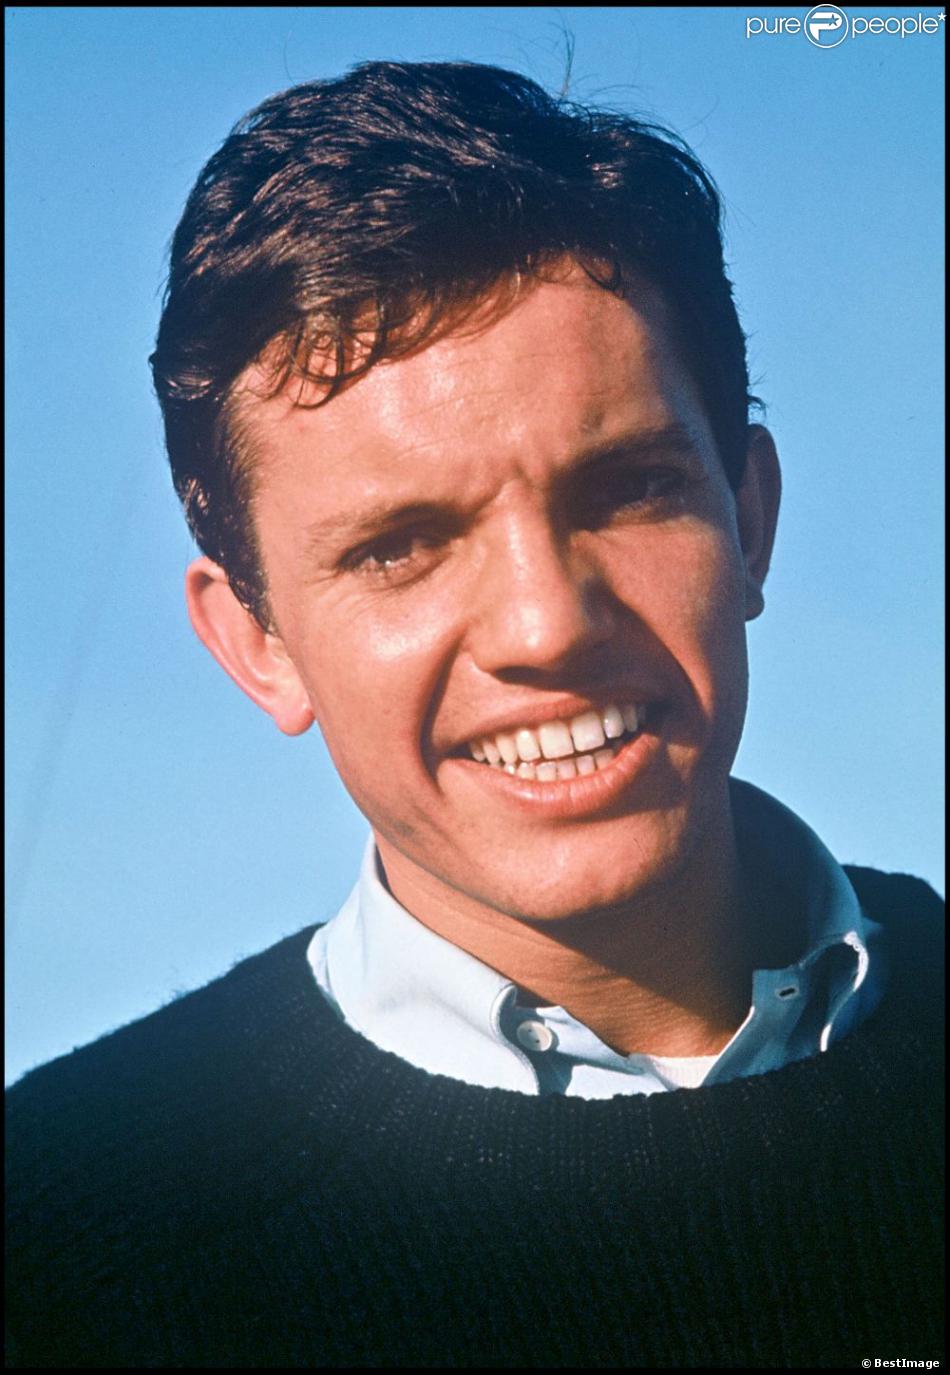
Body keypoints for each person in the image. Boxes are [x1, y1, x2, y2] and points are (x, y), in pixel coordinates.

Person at [6, 60, 943, 1369]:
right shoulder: (55, 1244)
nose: (544, 626)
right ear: (256, 643)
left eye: (624, 491)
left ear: (750, 518)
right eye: (399, 546)